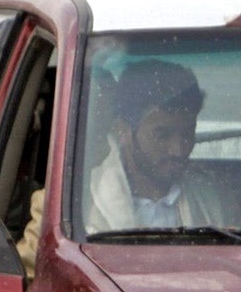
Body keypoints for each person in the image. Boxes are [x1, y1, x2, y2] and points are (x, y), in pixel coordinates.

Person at [83, 59, 225, 234]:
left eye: (187, 134)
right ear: (122, 131)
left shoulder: (212, 200)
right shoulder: (76, 203)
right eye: (162, 135)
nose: (179, 150)